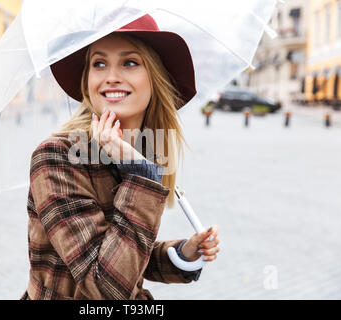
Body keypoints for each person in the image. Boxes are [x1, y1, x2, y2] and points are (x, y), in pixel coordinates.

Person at [21, 14, 220, 300]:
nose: (111, 76)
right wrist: (141, 175)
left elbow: (122, 249)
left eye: (129, 62)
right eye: (99, 63)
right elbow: (105, 287)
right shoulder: (58, 157)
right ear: (87, 80)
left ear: (155, 77)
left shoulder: (138, 151)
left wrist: (181, 254)